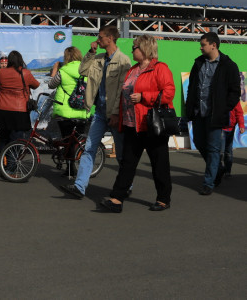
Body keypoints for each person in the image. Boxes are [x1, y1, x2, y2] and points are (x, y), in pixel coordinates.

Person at [101, 34, 175, 213]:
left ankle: (163, 198)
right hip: (131, 124)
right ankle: (117, 199)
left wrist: (144, 97)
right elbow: (123, 95)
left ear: (145, 49)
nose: (132, 50)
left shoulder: (160, 68)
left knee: (159, 164)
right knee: (127, 164)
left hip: (151, 125)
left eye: (135, 47)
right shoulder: (132, 70)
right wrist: (117, 114)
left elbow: (169, 93)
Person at [60, 25, 131, 199]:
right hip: (99, 113)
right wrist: (90, 52)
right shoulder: (98, 58)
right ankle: (79, 187)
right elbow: (82, 71)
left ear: (110, 39)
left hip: (115, 114)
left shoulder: (124, 61)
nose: (97, 40)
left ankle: (125, 186)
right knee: (89, 149)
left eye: (100, 37)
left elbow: (123, 90)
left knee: (122, 154)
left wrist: (115, 113)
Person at [185, 32, 241, 195]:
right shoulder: (198, 63)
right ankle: (219, 169)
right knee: (200, 143)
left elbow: (235, 91)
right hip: (198, 113)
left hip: (215, 114)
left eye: (203, 45)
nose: (201, 48)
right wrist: (190, 107)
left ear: (213, 45)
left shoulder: (228, 65)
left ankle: (208, 182)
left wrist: (224, 108)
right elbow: (192, 87)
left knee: (213, 149)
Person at [48, 47, 90, 176]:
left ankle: (70, 168)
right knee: (78, 141)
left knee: (67, 141)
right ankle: (79, 169)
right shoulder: (87, 71)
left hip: (65, 112)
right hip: (82, 111)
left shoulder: (63, 71)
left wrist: (55, 69)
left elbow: (51, 85)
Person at [0, 50, 40, 153]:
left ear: (9, 61)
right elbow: (36, 85)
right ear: (20, 60)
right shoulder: (26, 73)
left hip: (2, 110)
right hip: (20, 111)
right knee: (16, 140)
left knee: (3, 138)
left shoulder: (0, 72)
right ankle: (12, 165)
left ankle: (3, 164)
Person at [221, 101, 245, 178]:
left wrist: (241, 125)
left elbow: (239, 113)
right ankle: (219, 170)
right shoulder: (219, 96)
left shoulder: (234, 99)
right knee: (220, 151)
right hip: (220, 128)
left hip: (231, 128)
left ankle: (228, 171)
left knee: (228, 150)